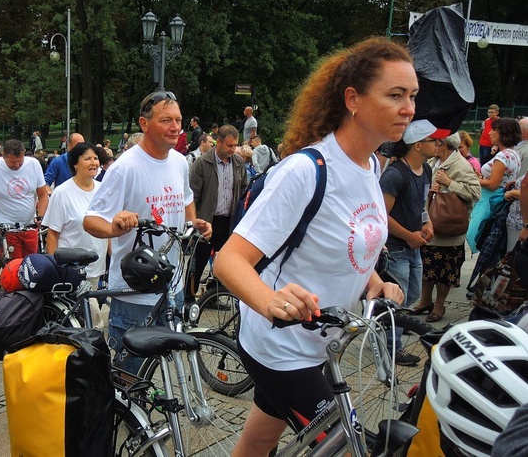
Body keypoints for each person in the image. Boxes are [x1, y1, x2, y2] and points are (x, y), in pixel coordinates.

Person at [212, 37, 408, 456]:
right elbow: (229, 260)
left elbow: (350, 237)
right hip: (280, 347)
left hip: (320, 342)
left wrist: (374, 283)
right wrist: (271, 301)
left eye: (411, 96)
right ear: (352, 99)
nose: (408, 107)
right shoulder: (305, 171)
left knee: (261, 437)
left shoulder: (371, 165)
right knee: (348, 446)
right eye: (395, 95)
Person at [84, 90, 212, 374]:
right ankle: (124, 416)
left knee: (166, 366)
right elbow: (91, 220)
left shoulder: (180, 162)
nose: (176, 127)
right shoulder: (125, 167)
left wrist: (193, 224)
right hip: (135, 291)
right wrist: (114, 226)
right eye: (166, 120)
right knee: (130, 372)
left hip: (172, 285)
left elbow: (187, 198)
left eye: (178, 120)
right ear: (144, 124)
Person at [380, 119, 446, 365]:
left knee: (413, 294)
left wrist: (427, 222)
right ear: (418, 145)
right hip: (396, 248)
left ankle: (387, 320)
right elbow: (381, 216)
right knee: (398, 299)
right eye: (433, 140)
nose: (438, 144)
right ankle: (392, 348)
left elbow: (421, 203)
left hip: (413, 245)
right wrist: (409, 235)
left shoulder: (426, 170)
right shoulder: (395, 175)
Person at [415, 133, 480, 322]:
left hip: (449, 228)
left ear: (442, 144)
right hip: (431, 223)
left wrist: (450, 184)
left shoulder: (460, 165)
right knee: (428, 267)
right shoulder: (434, 162)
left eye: (435, 142)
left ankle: (439, 306)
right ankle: (424, 301)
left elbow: (475, 192)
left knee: (445, 271)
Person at [44, 143, 108, 327]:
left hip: (96, 267)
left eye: (95, 158)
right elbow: (52, 234)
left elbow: (107, 229)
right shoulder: (62, 193)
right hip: (71, 270)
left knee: (84, 319)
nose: (93, 162)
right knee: (93, 317)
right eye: (87, 158)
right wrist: (53, 267)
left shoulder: (103, 189)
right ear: (75, 164)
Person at [189, 124, 247, 300]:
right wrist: (193, 222)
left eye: (235, 145)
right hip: (207, 221)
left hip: (228, 222)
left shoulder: (238, 163)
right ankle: (188, 298)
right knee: (198, 262)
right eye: (230, 145)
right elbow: (192, 196)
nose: (233, 149)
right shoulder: (202, 163)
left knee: (223, 264)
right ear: (218, 142)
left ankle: (213, 297)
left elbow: (244, 191)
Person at [0, 139, 48, 259]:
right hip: (6, 227)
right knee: (13, 267)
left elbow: (43, 195)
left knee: (32, 265)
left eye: (20, 161)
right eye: (13, 162)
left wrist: (41, 216)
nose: (17, 165)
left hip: (29, 226)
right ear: (3, 156)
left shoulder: (34, 164)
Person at [466, 117, 523, 253]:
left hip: (489, 200)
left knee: (474, 235)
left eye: (494, 130)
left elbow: (492, 184)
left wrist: (471, 179)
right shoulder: (514, 153)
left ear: (504, 133)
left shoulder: (502, 156)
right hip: (499, 198)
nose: (489, 133)